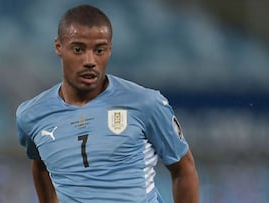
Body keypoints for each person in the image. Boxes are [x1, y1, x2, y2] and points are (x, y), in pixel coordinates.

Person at [16, 4, 199, 203]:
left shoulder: (146, 104)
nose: (90, 61)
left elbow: (183, 169)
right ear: (59, 46)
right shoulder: (31, 115)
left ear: (110, 49)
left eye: (99, 50)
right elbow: (40, 164)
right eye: (78, 49)